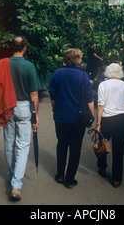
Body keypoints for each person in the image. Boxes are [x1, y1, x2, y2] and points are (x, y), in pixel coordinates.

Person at [0, 35, 41, 201]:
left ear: (12, 47)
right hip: (24, 108)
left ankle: (12, 176)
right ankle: (16, 184)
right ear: (24, 48)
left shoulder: (3, 64)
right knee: (23, 145)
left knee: (9, 144)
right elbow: (33, 94)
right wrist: (35, 114)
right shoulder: (29, 66)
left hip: (7, 106)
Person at [49, 48, 94, 189]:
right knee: (75, 148)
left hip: (61, 117)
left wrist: (54, 109)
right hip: (78, 118)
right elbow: (89, 99)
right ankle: (70, 179)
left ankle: (60, 174)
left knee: (61, 145)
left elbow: (53, 96)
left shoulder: (58, 73)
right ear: (78, 59)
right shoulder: (83, 76)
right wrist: (91, 117)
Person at [94, 63, 124, 188]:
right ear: (120, 73)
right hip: (122, 120)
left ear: (108, 72)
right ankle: (116, 179)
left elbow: (100, 106)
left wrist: (98, 123)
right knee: (118, 149)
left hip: (106, 120)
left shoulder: (103, 85)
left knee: (103, 144)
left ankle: (102, 167)